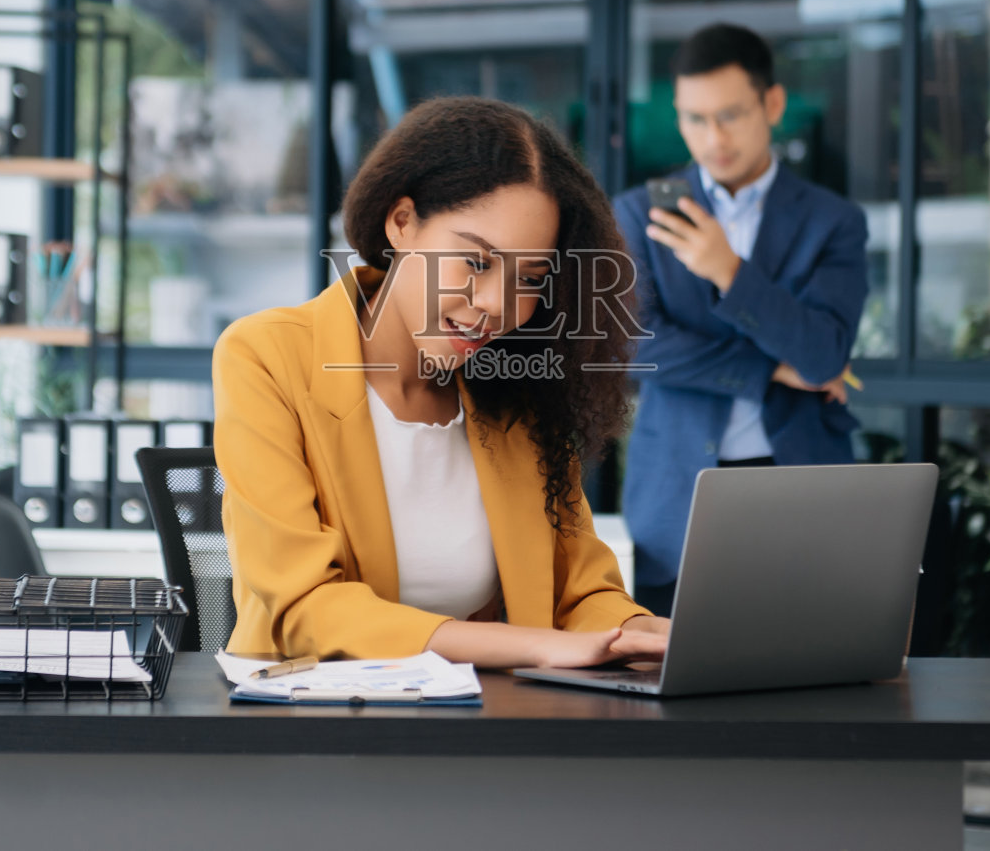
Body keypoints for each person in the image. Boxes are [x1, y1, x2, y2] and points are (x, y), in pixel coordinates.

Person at [213, 95, 669, 667]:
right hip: (310, 727)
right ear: (402, 223)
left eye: (528, 279)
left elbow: (583, 590)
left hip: (470, 728)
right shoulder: (267, 355)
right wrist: (537, 646)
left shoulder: (513, 388)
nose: (496, 306)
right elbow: (306, 607)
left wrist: (645, 631)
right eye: (475, 263)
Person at [614, 23, 869, 617]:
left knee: (809, 680)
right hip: (677, 490)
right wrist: (769, 370)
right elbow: (630, 345)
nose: (713, 137)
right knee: (671, 690)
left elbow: (824, 356)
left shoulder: (834, 222)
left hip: (802, 483)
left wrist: (731, 271)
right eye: (694, 118)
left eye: (730, 115)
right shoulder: (639, 213)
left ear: (772, 104)